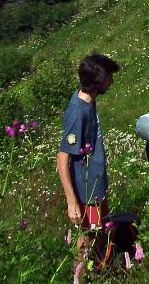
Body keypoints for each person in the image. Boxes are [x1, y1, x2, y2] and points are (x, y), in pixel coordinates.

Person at [56, 54, 120, 265]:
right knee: (85, 240)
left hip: (95, 186)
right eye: (109, 78)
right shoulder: (78, 113)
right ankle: (79, 277)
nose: (112, 82)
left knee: (100, 232)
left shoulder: (87, 101)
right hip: (85, 191)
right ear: (98, 81)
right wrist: (72, 202)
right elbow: (62, 157)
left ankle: (101, 271)